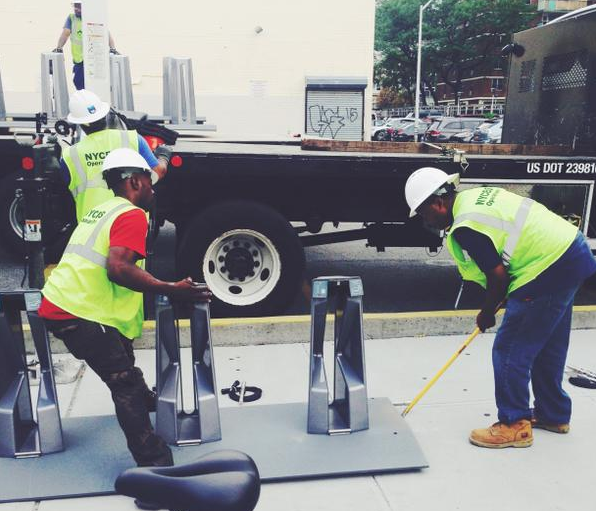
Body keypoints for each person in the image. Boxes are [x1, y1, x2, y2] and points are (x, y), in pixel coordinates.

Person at [38, 148, 212, 468]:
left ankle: (149, 402)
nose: (152, 187)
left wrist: (160, 163)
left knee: (121, 355)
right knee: (124, 383)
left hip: (61, 303)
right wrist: (171, 289)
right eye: (148, 181)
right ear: (134, 181)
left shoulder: (104, 208)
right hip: (78, 311)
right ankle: (154, 465)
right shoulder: (132, 215)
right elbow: (118, 268)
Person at [405, 167, 596, 449]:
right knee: (546, 344)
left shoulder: (466, 226)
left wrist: (487, 312)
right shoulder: (475, 198)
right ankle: (553, 414)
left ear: (438, 203)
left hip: (547, 268)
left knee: (509, 348)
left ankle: (513, 424)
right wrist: (501, 297)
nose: (426, 221)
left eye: (424, 213)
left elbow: (497, 276)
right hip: (572, 253)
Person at [61, 89, 170, 223]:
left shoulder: (70, 155)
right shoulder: (133, 139)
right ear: (106, 116)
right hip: (130, 222)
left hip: (92, 227)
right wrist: (163, 155)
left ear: (79, 124)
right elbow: (158, 172)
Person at [53, 2, 118, 90]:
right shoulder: (72, 18)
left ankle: (90, 101)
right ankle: (85, 101)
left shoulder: (94, 18)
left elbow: (105, 33)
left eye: (79, 7)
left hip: (94, 59)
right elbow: (65, 33)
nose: (76, 9)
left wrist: (113, 48)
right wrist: (59, 48)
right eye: (75, 6)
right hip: (80, 59)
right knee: (79, 82)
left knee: (92, 84)